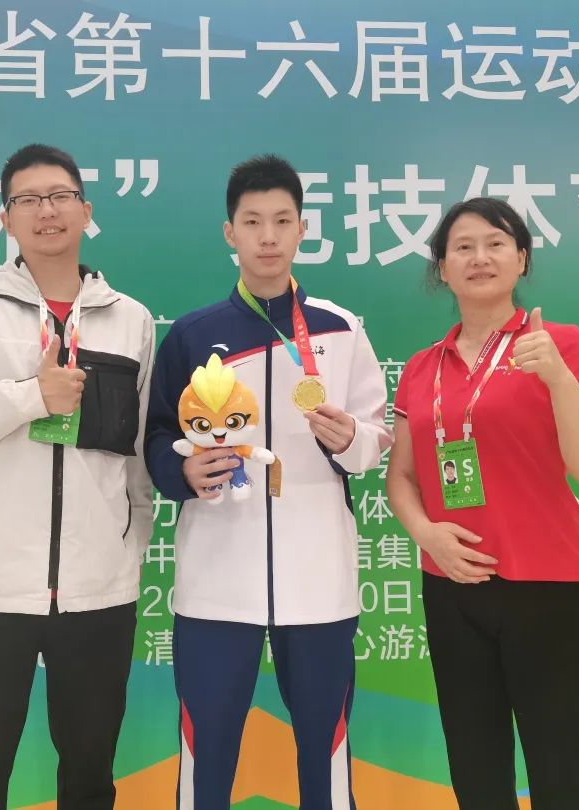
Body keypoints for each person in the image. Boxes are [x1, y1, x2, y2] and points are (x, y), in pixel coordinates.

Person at [0, 143, 154, 810]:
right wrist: (31, 397)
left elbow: (135, 450)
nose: (47, 211)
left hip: (99, 590)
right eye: (28, 200)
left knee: (90, 778)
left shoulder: (129, 318)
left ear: (86, 211)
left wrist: (126, 549)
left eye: (61, 196)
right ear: (6, 219)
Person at [144, 154, 392, 810]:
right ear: (230, 232)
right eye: (252, 222)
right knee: (207, 754)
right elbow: (156, 435)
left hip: (319, 582)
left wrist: (350, 440)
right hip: (216, 581)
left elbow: (377, 436)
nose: (268, 236)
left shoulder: (341, 329)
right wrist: (181, 469)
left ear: (302, 229)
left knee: (324, 751)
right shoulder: (194, 335)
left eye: (282, 220)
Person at [386, 197, 579, 810]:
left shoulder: (562, 345)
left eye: (495, 243)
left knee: (563, 768)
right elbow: (401, 477)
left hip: (547, 581)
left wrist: (557, 378)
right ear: (442, 268)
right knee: (476, 769)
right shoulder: (421, 368)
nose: (479, 257)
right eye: (462, 247)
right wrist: (427, 535)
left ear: (521, 259)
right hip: (452, 584)